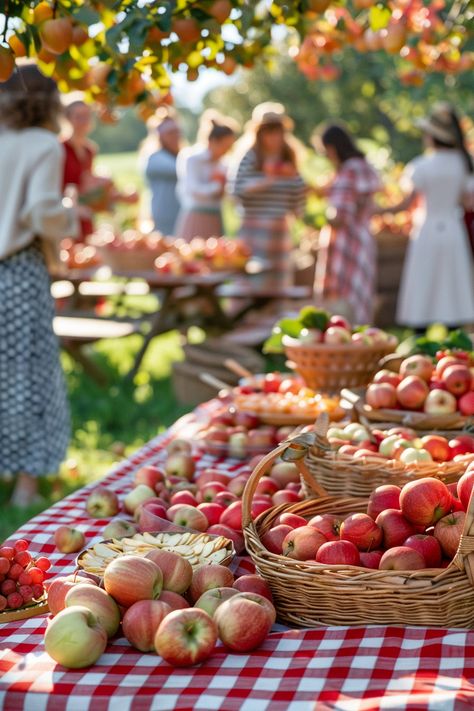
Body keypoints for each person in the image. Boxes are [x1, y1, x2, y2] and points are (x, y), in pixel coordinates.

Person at [0, 64, 80, 507]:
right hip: (19, 269)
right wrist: (68, 214)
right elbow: (40, 211)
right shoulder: (44, 145)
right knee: (28, 372)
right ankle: (26, 485)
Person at [379, 103, 474, 330]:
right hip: (452, 228)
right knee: (453, 282)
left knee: (424, 280)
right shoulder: (464, 165)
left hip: (428, 229)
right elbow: (467, 200)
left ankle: (419, 332)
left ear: (432, 136)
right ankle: (455, 335)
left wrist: (376, 210)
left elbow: (405, 204)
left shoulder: (422, 166)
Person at [232, 102, 306, 288]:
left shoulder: (288, 157)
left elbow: (298, 191)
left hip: (279, 228)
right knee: (252, 279)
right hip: (253, 228)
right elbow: (237, 190)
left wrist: (299, 210)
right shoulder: (250, 157)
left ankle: (275, 315)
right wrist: (268, 180)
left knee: (277, 280)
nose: (274, 137)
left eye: (278, 131)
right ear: (259, 133)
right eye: (269, 131)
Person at [313, 123, 380, 324]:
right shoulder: (363, 167)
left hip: (347, 243)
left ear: (332, 148)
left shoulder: (348, 170)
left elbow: (340, 215)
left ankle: (345, 342)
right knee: (359, 295)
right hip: (363, 238)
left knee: (344, 299)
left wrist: (317, 218)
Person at [62, 99, 138, 240]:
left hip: (85, 218)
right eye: (78, 116)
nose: (84, 121)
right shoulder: (60, 149)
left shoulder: (89, 150)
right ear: (68, 119)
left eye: (87, 116)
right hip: (64, 218)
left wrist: (118, 196)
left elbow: (89, 191)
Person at [175, 111, 238, 240]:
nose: (226, 151)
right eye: (224, 146)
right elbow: (192, 189)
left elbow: (230, 192)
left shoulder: (224, 164)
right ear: (213, 141)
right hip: (196, 215)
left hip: (215, 215)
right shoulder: (192, 159)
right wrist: (217, 186)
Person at [143, 112, 181, 235]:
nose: (175, 136)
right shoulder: (155, 158)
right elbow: (181, 171)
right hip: (165, 217)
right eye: (170, 133)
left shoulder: (177, 155)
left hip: (179, 214)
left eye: (177, 132)